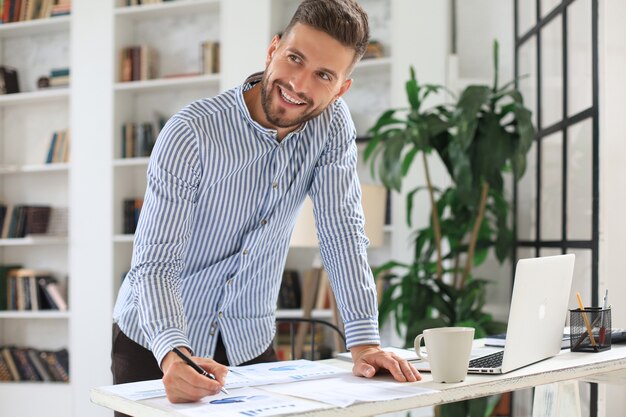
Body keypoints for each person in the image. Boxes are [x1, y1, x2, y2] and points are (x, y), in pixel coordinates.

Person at [112, 0, 421, 408]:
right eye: (294, 58)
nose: (299, 84)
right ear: (273, 49)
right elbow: (155, 261)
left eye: (323, 75)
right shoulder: (191, 133)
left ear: (341, 87)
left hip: (248, 342)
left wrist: (364, 344)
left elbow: (341, 231)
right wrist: (173, 353)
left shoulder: (331, 127)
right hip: (157, 342)